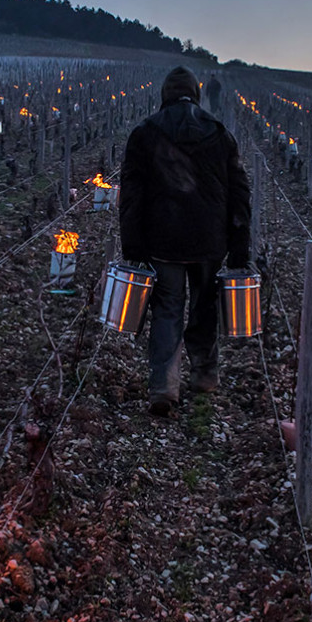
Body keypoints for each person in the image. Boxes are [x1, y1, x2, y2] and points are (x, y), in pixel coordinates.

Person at [120, 66, 252, 417]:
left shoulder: (144, 134)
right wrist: (240, 246)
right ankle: (205, 375)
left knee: (167, 310)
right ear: (197, 94)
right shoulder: (220, 134)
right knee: (204, 305)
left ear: (164, 94)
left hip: (163, 241)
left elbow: (131, 195)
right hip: (210, 241)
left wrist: (131, 246)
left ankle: (164, 387)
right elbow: (240, 193)